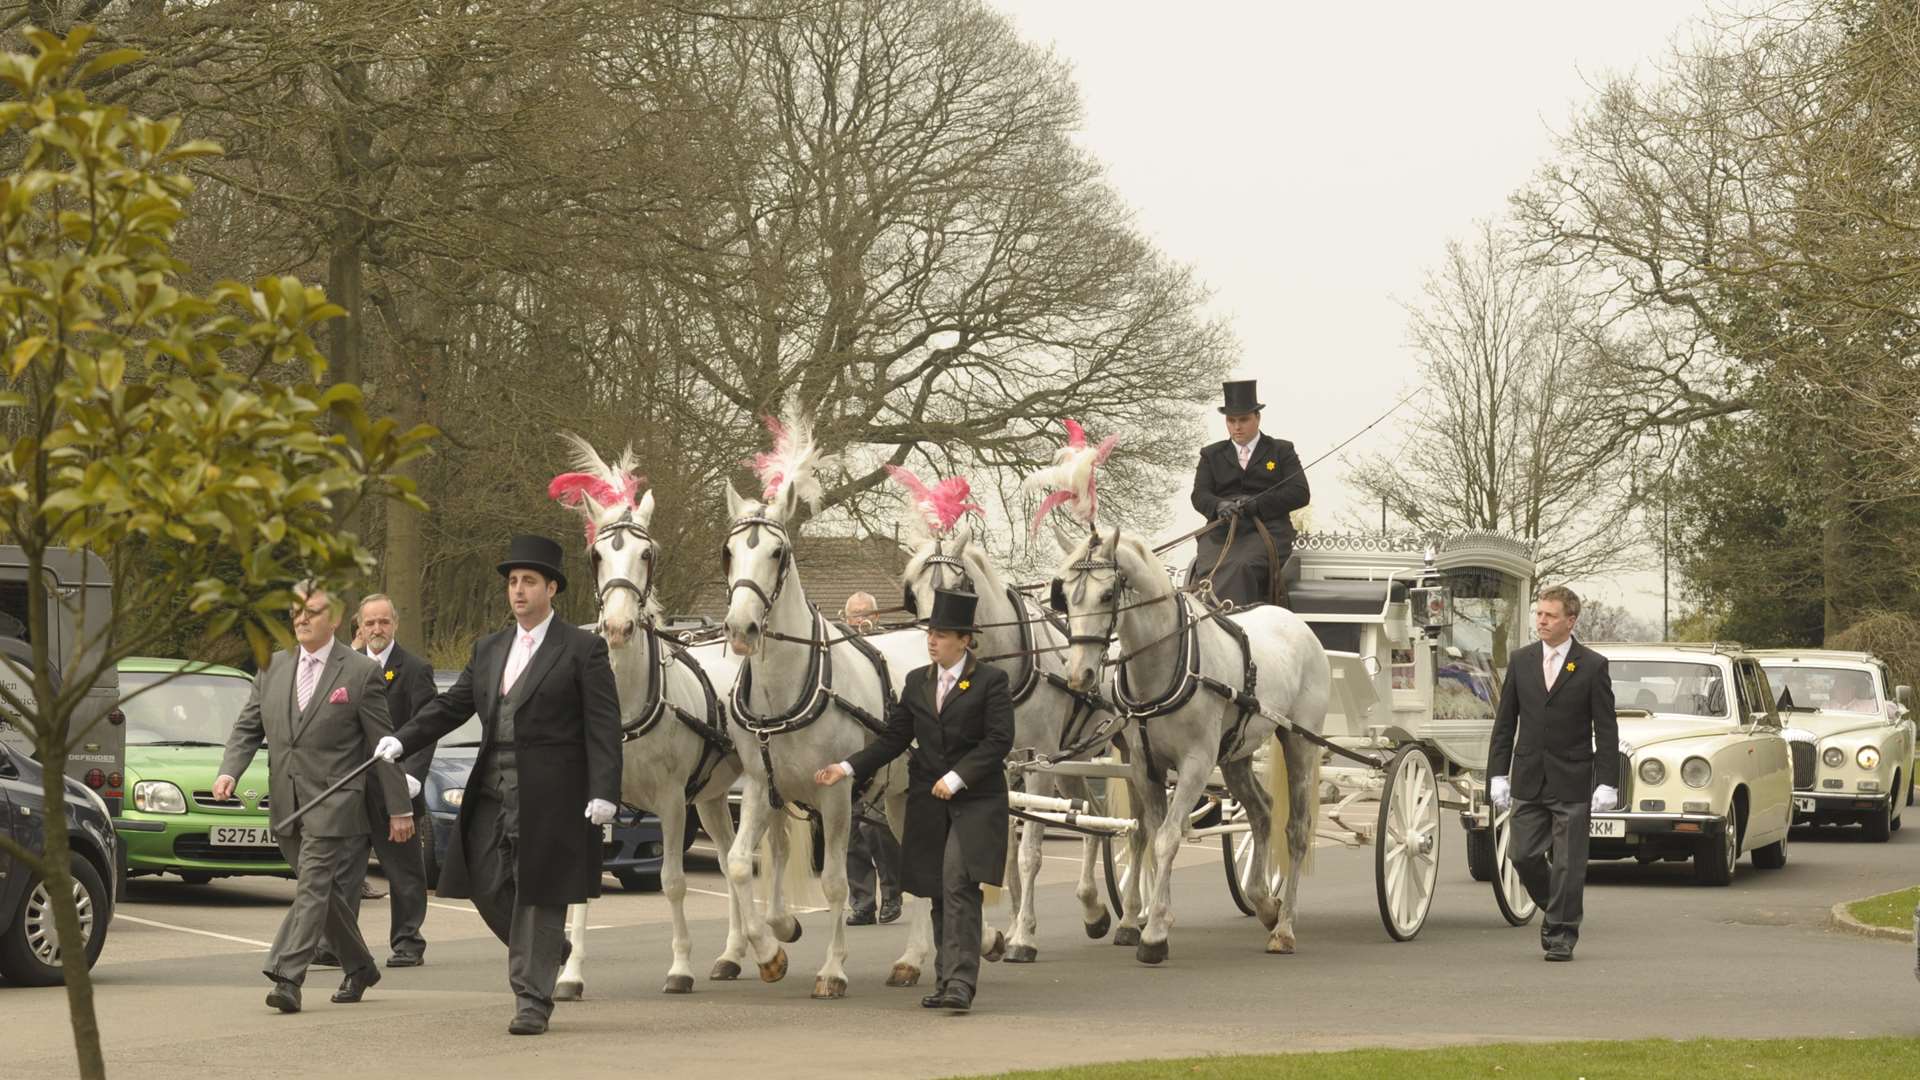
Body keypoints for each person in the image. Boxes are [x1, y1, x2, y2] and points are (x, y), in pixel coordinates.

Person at [375, 535, 621, 1035]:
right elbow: (450, 707)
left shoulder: (582, 649)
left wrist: (604, 791)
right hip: (492, 788)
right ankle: (549, 950)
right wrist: (400, 740)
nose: (518, 590)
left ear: (552, 588)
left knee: (539, 892)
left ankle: (531, 999)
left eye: (529, 581)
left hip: (553, 794)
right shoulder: (489, 649)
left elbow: (603, 724)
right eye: (512, 582)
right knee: (485, 884)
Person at [215, 581, 414, 1013]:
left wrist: (400, 807)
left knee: (311, 885)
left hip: (335, 800)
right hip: (286, 802)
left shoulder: (360, 673)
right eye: (296, 612)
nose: (301, 619)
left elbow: (385, 745)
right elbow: (248, 728)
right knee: (322, 894)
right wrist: (229, 771)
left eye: (313, 612)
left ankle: (288, 975)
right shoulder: (272, 667)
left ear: (337, 618)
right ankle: (360, 965)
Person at [815, 589, 1012, 1011]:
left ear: (965, 640)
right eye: (930, 633)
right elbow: (893, 739)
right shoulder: (917, 682)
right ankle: (945, 980)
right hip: (930, 802)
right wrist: (846, 768)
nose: (932, 640)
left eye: (941, 634)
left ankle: (961, 982)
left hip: (975, 799)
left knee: (959, 881)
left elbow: (999, 740)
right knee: (939, 887)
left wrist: (957, 777)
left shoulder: (991, 682)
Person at [1486, 585, 1619, 962]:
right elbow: (1505, 723)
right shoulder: (1521, 660)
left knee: (1568, 862)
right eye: (1539, 614)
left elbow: (1606, 729)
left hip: (1572, 779)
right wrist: (1498, 774)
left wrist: (1607, 781)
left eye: (1549, 615)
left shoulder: (1592, 666)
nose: (1541, 621)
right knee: (1522, 854)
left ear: (1570, 620)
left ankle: (1562, 932)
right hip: (1528, 776)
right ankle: (1556, 910)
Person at [331, 594, 439, 966]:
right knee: (344, 871)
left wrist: (411, 777)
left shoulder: (414, 669)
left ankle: (408, 941)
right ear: (359, 627)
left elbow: (426, 728)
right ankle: (339, 945)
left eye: (384, 622)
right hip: (352, 790)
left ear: (395, 624)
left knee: (404, 871)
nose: (377, 629)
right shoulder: (345, 667)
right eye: (370, 623)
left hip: (395, 789)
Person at [1188, 379, 1310, 607]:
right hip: (1221, 533)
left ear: (1257, 417)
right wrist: (1218, 506)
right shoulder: (1211, 454)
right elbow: (1199, 494)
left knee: (1241, 565)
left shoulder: (1281, 450)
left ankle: (1232, 625)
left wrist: (1257, 503)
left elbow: (1300, 492)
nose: (1237, 427)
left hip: (1267, 532)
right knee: (1210, 568)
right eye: (1231, 420)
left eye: (1243, 419)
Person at [840, 591, 903, 926]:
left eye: (866, 613)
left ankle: (893, 893)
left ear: (877, 617)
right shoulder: (840, 653)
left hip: (882, 748)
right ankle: (862, 901)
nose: (860, 619)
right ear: (845, 617)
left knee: (877, 827)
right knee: (850, 830)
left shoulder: (888, 649)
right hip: (849, 749)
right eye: (854, 614)